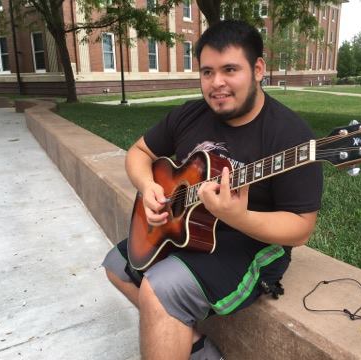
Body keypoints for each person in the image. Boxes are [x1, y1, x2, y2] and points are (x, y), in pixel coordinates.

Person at [102, 20, 323, 360]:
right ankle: (195, 346)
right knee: (117, 265)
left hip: (252, 244)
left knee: (159, 290)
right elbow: (139, 153)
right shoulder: (190, 114)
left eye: (230, 69)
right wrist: (148, 187)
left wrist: (238, 216)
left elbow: (300, 228)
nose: (216, 83)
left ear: (258, 69)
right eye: (207, 72)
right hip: (193, 228)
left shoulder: (291, 136)